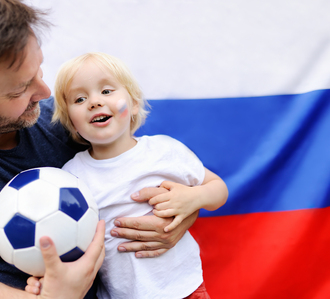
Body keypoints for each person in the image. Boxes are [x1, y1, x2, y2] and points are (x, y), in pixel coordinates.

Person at [0, 1, 203, 298]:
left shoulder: (66, 121)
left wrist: (178, 215)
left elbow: (150, 173)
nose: (45, 92)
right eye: (20, 89)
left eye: (39, 70)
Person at [27, 52, 228, 298]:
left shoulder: (165, 150)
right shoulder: (71, 177)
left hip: (184, 290)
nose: (94, 102)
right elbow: (64, 234)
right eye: (80, 99)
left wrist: (193, 198)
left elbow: (218, 189)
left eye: (107, 91)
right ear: (71, 121)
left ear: (133, 103)